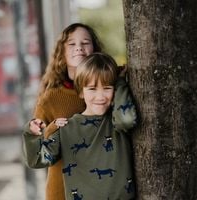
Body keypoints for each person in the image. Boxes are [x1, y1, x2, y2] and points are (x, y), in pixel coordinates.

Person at [23, 52, 137, 199]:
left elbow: (127, 119)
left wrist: (121, 83)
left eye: (107, 88)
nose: (100, 96)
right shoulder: (66, 128)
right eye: (92, 89)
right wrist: (30, 134)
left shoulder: (116, 121)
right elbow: (37, 160)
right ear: (81, 92)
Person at [25, 23, 103, 200]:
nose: (79, 48)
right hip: (64, 190)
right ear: (62, 51)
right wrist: (53, 130)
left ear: (95, 48)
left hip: (103, 187)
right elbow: (36, 151)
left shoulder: (108, 88)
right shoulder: (51, 98)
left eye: (85, 43)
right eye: (72, 44)